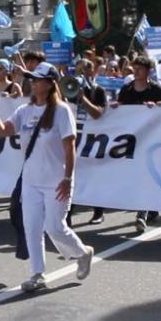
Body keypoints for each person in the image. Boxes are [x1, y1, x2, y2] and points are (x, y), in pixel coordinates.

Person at [0, 62, 94, 292]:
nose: (33, 82)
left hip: (57, 181)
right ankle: (37, 274)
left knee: (55, 227)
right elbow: (3, 131)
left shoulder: (62, 111)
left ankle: (83, 252)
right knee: (32, 227)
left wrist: (67, 178)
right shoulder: (24, 111)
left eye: (37, 79)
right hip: (31, 180)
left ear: (50, 84)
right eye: (32, 79)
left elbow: (70, 147)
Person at [113, 56, 161, 231]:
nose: (135, 72)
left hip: (151, 139)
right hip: (130, 139)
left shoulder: (157, 90)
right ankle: (151, 207)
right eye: (134, 68)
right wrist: (115, 107)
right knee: (134, 176)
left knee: (145, 174)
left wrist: (159, 106)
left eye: (140, 69)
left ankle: (141, 214)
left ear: (148, 71)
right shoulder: (126, 89)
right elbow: (121, 110)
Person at [66, 58, 108, 226]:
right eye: (78, 70)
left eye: (84, 70)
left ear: (92, 71)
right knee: (71, 175)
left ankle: (98, 211)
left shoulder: (98, 90)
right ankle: (67, 214)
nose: (80, 74)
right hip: (74, 137)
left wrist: (83, 98)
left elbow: (98, 114)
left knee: (92, 177)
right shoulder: (69, 88)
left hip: (93, 140)